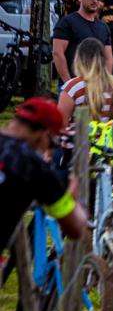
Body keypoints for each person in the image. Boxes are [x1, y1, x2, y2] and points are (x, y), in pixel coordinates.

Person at [1, 98, 88, 259]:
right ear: (44, 134)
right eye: (52, 144)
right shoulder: (33, 166)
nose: (48, 151)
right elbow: (75, 228)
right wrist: (71, 198)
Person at [52, 0, 113, 84]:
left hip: (96, 87)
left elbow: (108, 58)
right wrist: (69, 84)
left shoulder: (104, 27)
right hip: (72, 84)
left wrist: (105, 83)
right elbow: (57, 53)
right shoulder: (67, 22)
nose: (95, 0)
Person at [57, 38, 113, 126]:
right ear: (103, 59)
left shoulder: (73, 87)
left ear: (79, 59)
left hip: (81, 138)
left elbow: (60, 125)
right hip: (110, 138)